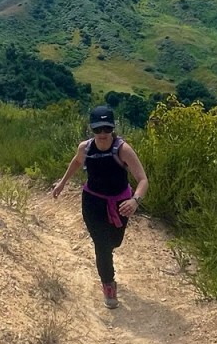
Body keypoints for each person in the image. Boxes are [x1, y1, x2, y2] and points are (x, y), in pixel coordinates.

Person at [52, 104, 149, 309]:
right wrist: (62, 183)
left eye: (107, 129)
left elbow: (142, 180)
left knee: (115, 242)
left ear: (113, 128)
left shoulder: (122, 150)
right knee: (102, 245)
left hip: (120, 203)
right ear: (92, 129)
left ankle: (107, 257)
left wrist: (135, 200)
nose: (103, 134)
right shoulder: (85, 148)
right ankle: (108, 284)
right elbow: (76, 162)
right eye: (98, 129)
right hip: (92, 202)